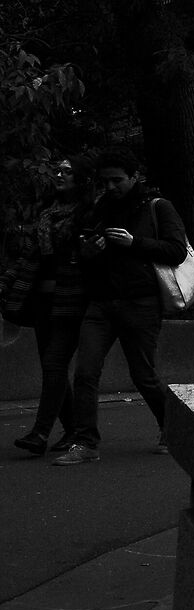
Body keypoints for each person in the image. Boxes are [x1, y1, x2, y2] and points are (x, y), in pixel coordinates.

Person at [54, 150, 188, 465]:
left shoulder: (157, 207)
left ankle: (173, 426)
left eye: (118, 180)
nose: (112, 187)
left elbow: (176, 251)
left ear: (134, 177)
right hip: (101, 303)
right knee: (85, 372)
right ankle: (86, 442)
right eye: (105, 181)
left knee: (143, 375)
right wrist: (90, 250)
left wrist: (134, 243)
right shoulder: (99, 209)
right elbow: (84, 254)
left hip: (140, 302)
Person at [9, 158, 86, 456]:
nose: (60, 175)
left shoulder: (85, 213)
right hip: (42, 300)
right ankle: (73, 430)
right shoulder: (47, 213)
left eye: (68, 171)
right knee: (51, 364)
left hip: (70, 299)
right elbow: (30, 257)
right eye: (58, 170)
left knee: (54, 363)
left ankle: (41, 432)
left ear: (81, 179)